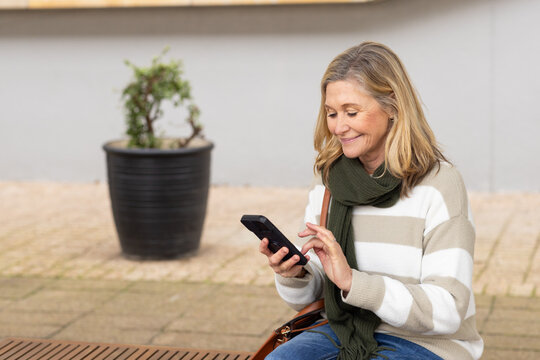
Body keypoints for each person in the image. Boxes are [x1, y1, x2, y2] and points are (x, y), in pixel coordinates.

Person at [258, 42, 483, 360]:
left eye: (352, 112)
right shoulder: (329, 179)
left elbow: (448, 309)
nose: (338, 126)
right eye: (331, 113)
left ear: (392, 105)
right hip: (341, 328)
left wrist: (355, 283)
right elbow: (315, 294)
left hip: (426, 342)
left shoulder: (438, 185)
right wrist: (294, 273)